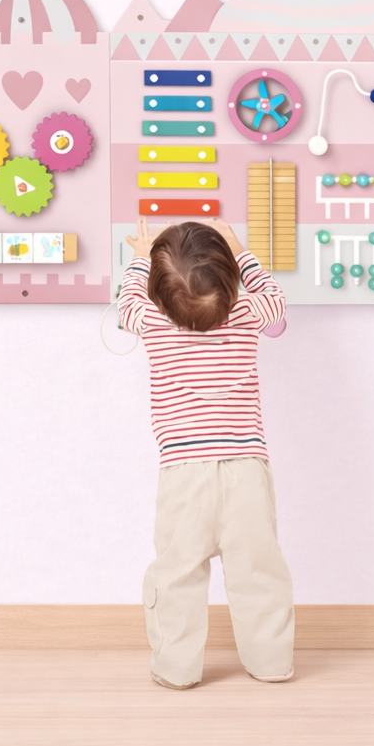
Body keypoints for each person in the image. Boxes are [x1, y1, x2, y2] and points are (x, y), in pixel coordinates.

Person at [118, 217, 295, 689]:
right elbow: (276, 301)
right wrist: (240, 249)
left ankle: (176, 670)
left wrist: (140, 255)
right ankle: (272, 662)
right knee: (259, 572)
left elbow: (126, 303)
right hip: (247, 472)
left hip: (183, 476)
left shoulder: (152, 320)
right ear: (231, 280)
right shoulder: (246, 313)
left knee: (176, 575)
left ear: (160, 291)